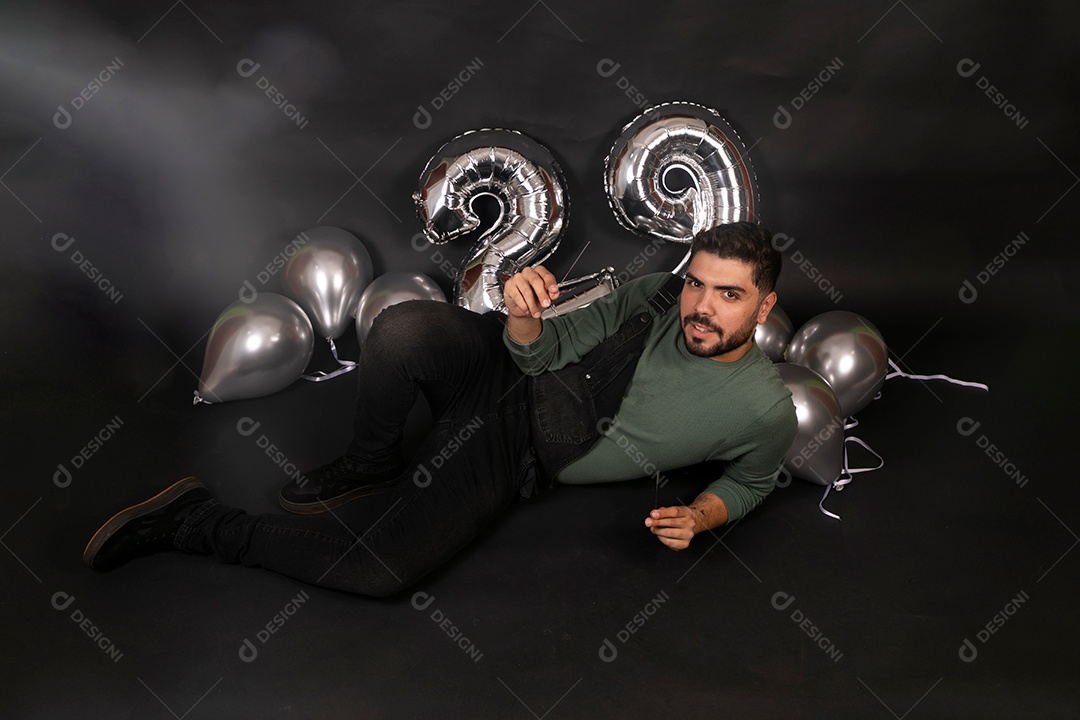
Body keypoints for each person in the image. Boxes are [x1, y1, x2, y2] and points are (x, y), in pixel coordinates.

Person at [84, 222, 798, 597]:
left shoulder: (763, 408)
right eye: (697, 285)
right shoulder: (652, 301)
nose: (700, 307)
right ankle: (372, 462)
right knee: (401, 327)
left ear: (764, 306)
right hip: (507, 367)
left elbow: (753, 480)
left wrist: (702, 516)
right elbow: (542, 352)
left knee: (381, 572)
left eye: (728, 295)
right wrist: (522, 315)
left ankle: (194, 521)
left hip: (521, 440)